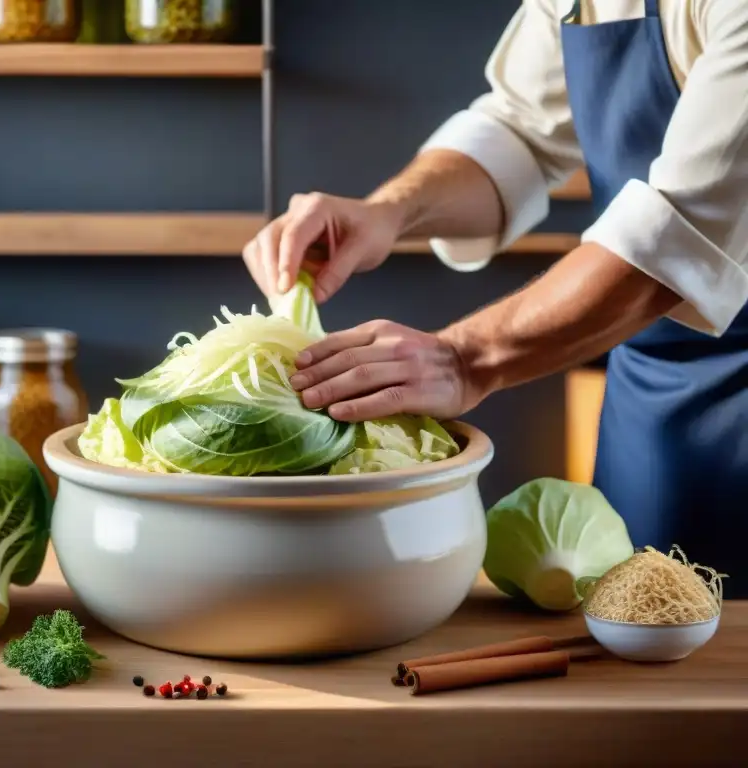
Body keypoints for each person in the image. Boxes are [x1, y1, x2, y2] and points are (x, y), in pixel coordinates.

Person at [242, 0, 748, 596]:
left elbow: (679, 234)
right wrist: (389, 210)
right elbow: (520, 132)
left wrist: (465, 357)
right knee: (636, 642)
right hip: (651, 392)